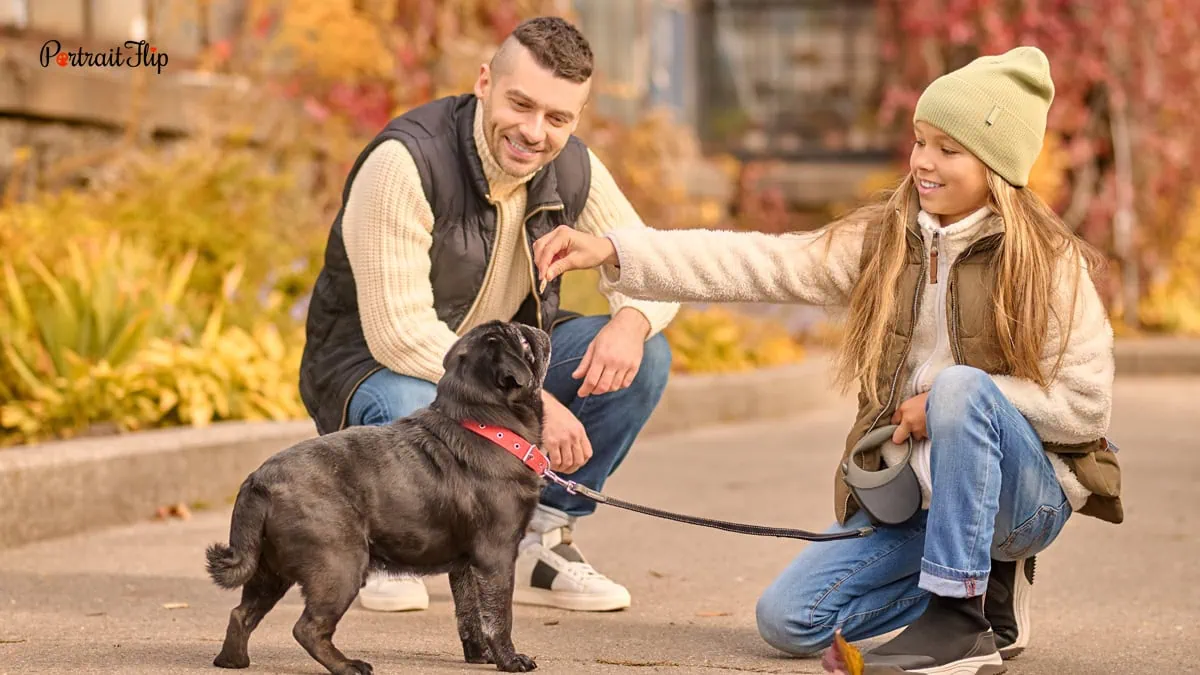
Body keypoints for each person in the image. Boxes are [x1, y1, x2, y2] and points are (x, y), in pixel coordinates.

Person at [530, 46, 1124, 673]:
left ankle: (960, 619)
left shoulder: (1050, 265)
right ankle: (986, 593)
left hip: (1022, 501)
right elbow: (760, 262)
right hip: (919, 500)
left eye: (949, 150)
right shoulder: (887, 243)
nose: (924, 161)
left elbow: (1086, 408)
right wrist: (616, 252)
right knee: (789, 621)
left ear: (998, 168)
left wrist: (948, 407)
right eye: (920, 141)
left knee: (961, 389)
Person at [298, 16, 680, 614]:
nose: (534, 132)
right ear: (484, 82)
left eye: (558, 118)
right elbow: (400, 335)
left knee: (646, 354)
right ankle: (383, 543)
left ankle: (541, 541)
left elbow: (657, 267)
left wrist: (631, 324)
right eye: (520, 104)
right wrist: (539, 404)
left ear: (577, 117)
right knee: (409, 405)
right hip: (374, 371)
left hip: (499, 375)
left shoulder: (574, 167)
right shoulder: (406, 162)